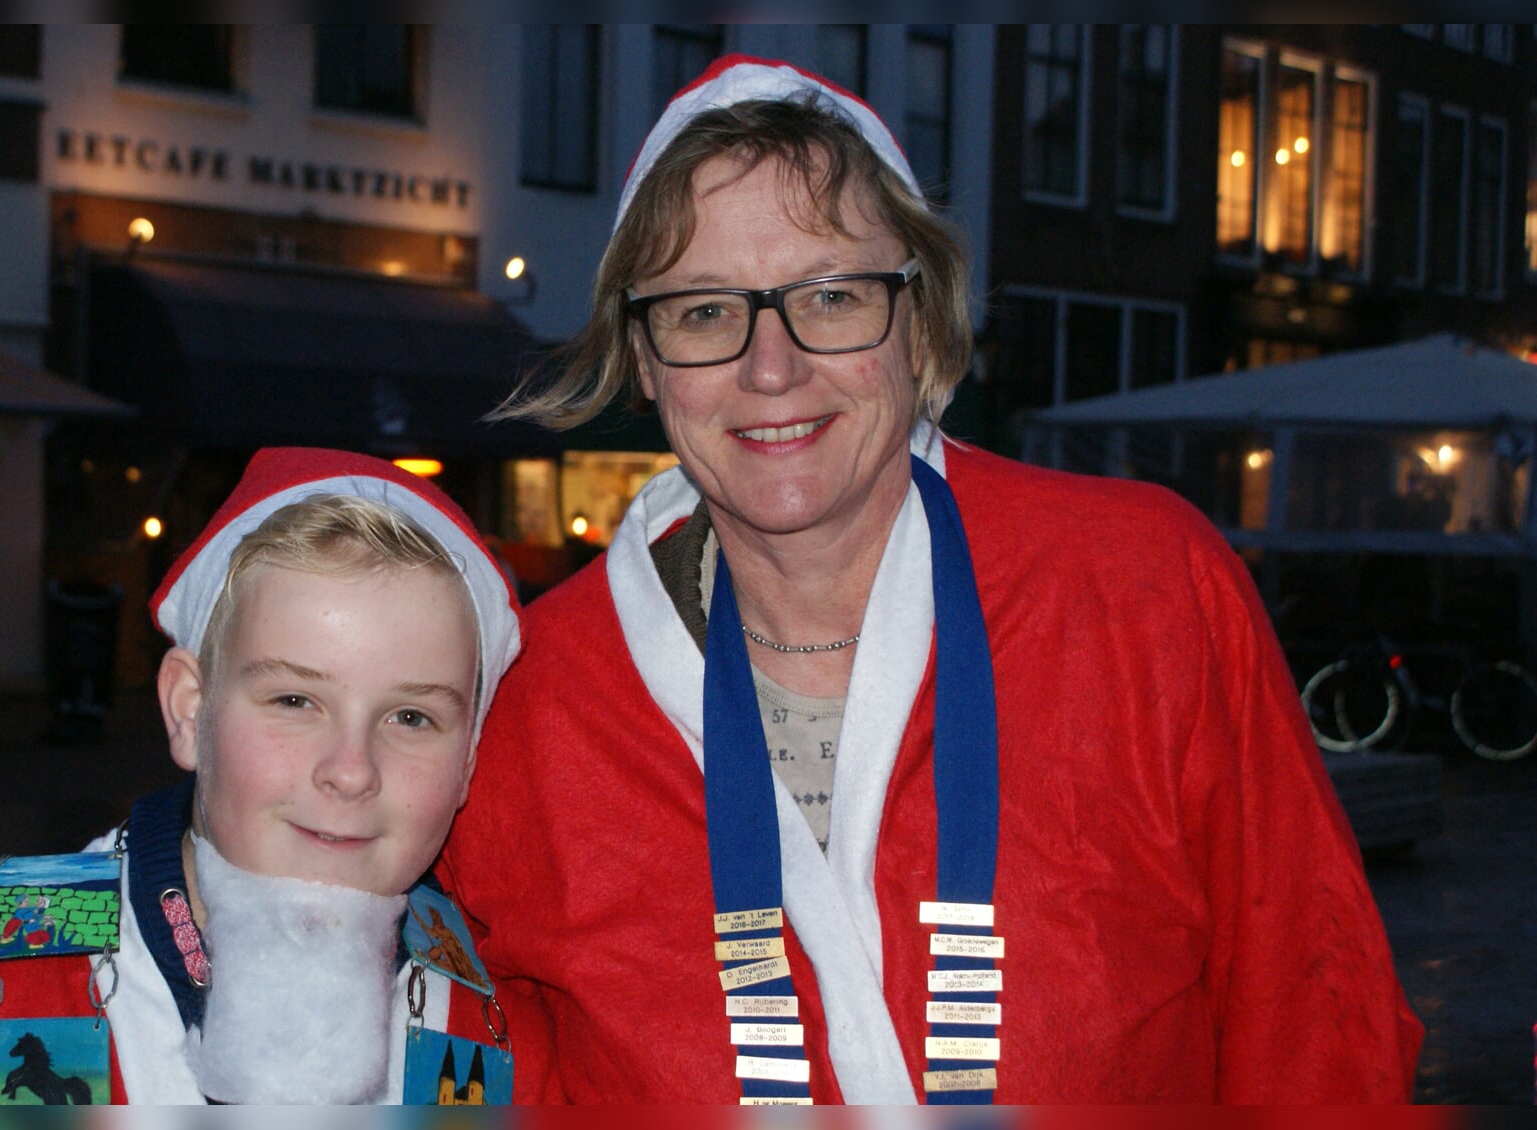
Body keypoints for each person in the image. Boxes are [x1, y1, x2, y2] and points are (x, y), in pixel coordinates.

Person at [439, 55, 1421, 1104]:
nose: (771, 367)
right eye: (705, 310)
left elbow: (1317, 1016)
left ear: (921, 317)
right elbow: (482, 1066)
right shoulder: (529, 696)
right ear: (644, 353)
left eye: (832, 294)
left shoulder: (1145, 592)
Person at [0, 447, 523, 1104]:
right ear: (188, 710)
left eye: (412, 718)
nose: (351, 771)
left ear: (469, 761)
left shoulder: (505, 1040)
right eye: (295, 700)